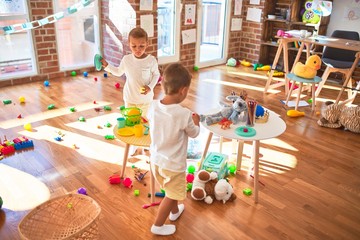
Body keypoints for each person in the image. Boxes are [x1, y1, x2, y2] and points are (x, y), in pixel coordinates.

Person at [147, 63, 201, 235]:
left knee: (170, 189)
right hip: (173, 166)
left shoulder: (153, 106)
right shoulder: (183, 114)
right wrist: (197, 122)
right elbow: (194, 134)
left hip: (156, 161)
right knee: (172, 194)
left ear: (163, 85)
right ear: (183, 91)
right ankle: (158, 225)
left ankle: (175, 212)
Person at [101, 27, 160, 118]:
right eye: (134, 46)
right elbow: (118, 72)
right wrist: (107, 65)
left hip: (146, 101)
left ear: (147, 44)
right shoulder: (126, 59)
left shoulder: (151, 60)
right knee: (130, 122)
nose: (138, 49)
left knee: (144, 123)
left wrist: (150, 87)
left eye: (141, 46)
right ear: (129, 44)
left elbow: (156, 75)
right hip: (130, 99)